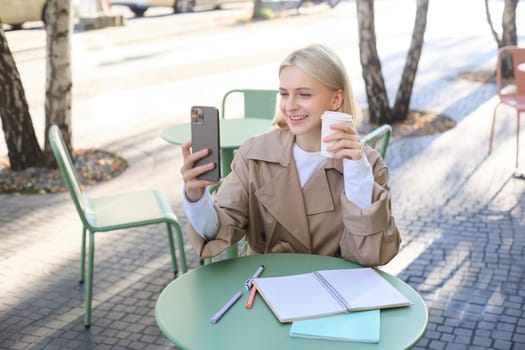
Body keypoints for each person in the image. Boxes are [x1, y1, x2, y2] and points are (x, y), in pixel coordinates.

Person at [180, 43, 400, 266]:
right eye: (284, 94)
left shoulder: (367, 165)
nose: (290, 106)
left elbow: (371, 254)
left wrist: (356, 174)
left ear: (336, 99)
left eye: (304, 94)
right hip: (264, 283)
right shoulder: (255, 154)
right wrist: (196, 197)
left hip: (331, 289)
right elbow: (220, 230)